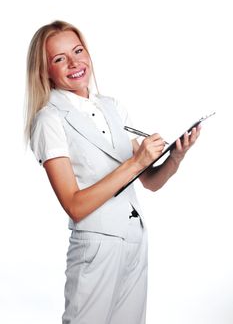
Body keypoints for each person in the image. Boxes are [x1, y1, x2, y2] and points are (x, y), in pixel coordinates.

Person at [25, 20, 201, 324]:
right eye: (59, 59)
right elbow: (75, 205)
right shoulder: (49, 121)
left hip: (135, 238)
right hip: (96, 248)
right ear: (45, 72)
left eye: (78, 51)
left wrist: (175, 157)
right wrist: (136, 161)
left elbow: (149, 182)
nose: (74, 63)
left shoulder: (112, 107)